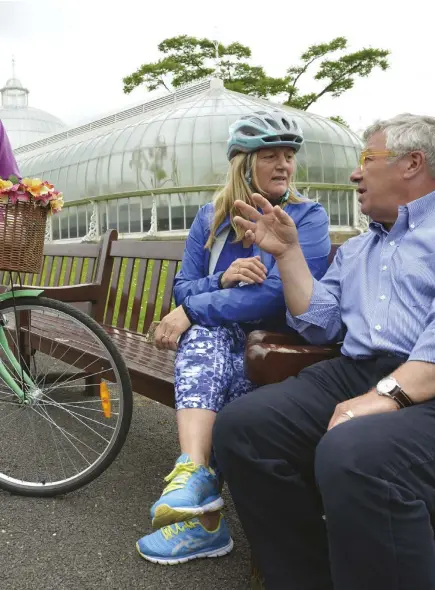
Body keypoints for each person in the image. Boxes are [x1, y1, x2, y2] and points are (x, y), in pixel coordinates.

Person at [212, 113, 435, 589]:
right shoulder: (361, 249)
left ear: (412, 163)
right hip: (366, 373)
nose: (355, 173)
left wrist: (386, 396)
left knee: (356, 454)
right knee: (245, 426)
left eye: (366, 159)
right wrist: (288, 255)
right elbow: (319, 325)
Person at [136, 109, 331, 565]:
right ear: (243, 163)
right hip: (218, 342)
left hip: (277, 351)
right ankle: (194, 481)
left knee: (209, 348)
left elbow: (275, 297)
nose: (284, 165)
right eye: (271, 156)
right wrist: (221, 279)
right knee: (205, 341)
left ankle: (198, 509)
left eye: (289, 157)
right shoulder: (211, 218)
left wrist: (191, 309)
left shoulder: (307, 217)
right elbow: (181, 286)